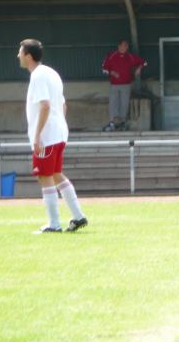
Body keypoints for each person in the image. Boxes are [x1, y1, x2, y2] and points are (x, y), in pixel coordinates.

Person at [18, 39, 89, 233]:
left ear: (28, 56)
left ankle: (54, 223)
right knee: (56, 174)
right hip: (59, 133)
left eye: (20, 52)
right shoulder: (52, 73)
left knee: (44, 176)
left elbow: (45, 105)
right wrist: (58, 126)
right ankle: (78, 215)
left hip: (47, 136)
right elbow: (63, 105)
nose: (18, 56)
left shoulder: (38, 76)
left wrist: (38, 134)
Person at [102, 40, 147, 132]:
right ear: (118, 46)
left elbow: (144, 62)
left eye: (126, 46)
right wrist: (112, 72)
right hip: (114, 84)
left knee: (125, 103)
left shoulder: (130, 57)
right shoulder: (111, 56)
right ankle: (112, 123)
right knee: (113, 103)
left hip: (126, 84)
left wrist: (139, 69)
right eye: (123, 46)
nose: (124, 48)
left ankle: (123, 123)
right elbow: (104, 68)